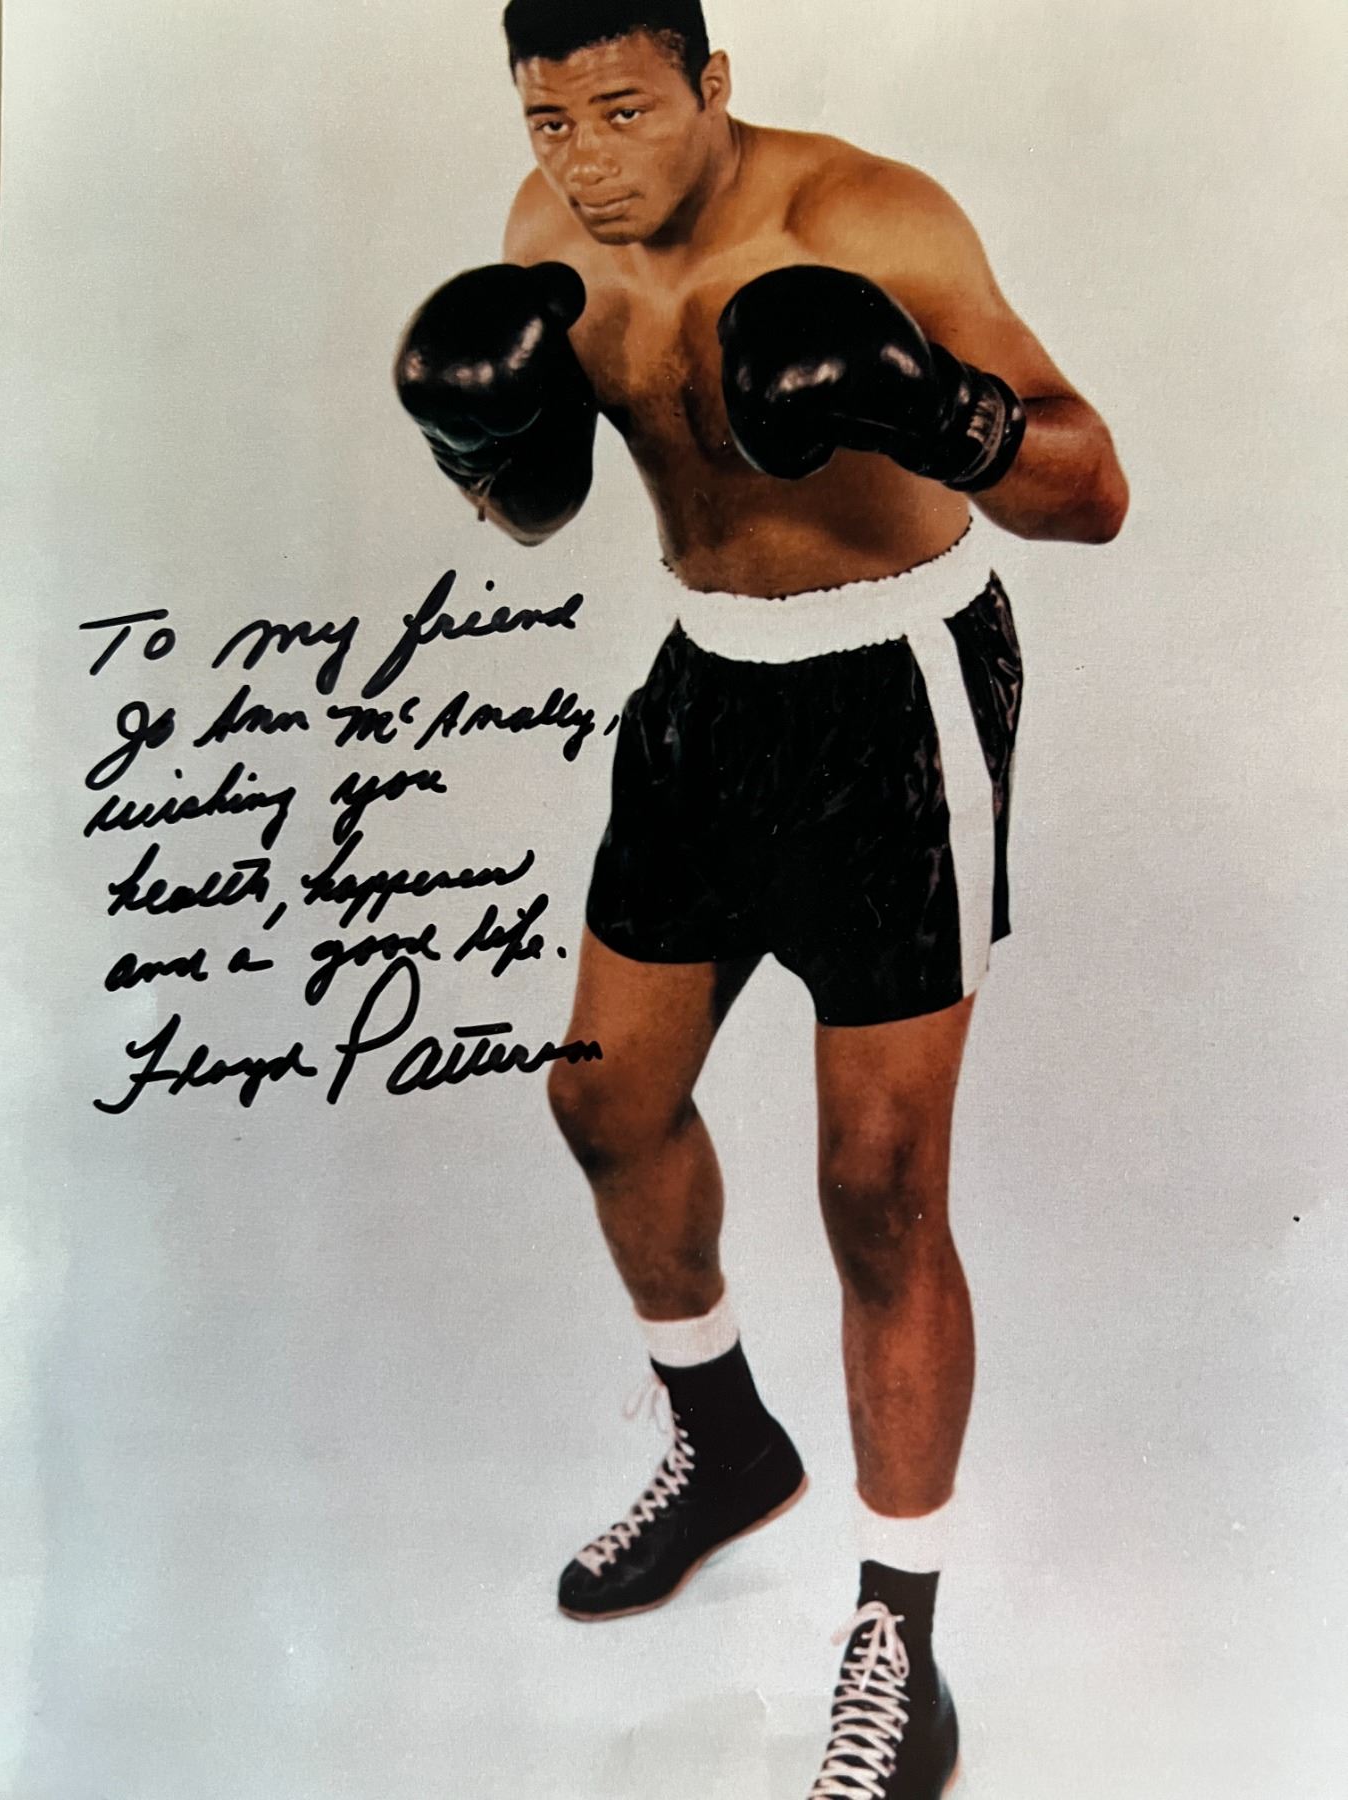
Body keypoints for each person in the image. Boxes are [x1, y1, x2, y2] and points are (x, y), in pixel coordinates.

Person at [394, 2, 1128, 1793]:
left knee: (877, 1189)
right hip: (706, 685)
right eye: (550, 120)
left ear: (712, 84)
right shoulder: (547, 231)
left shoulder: (870, 218)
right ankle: (725, 1444)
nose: (587, 160)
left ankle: (901, 1636)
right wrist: (491, 452)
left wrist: (929, 411)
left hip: (895, 693)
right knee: (603, 1099)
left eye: (624, 109)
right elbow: (544, 512)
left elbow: (1091, 490)